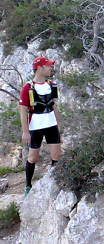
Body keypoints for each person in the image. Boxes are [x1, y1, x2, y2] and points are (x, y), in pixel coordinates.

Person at [18, 56, 62, 195]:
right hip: (35, 127)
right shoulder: (27, 88)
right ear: (40, 68)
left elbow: (53, 105)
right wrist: (25, 131)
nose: (50, 68)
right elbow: (23, 109)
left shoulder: (51, 85)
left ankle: (55, 181)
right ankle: (27, 185)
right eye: (48, 66)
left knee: (56, 155)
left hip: (51, 125)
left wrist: (58, 124)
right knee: (32, 157)